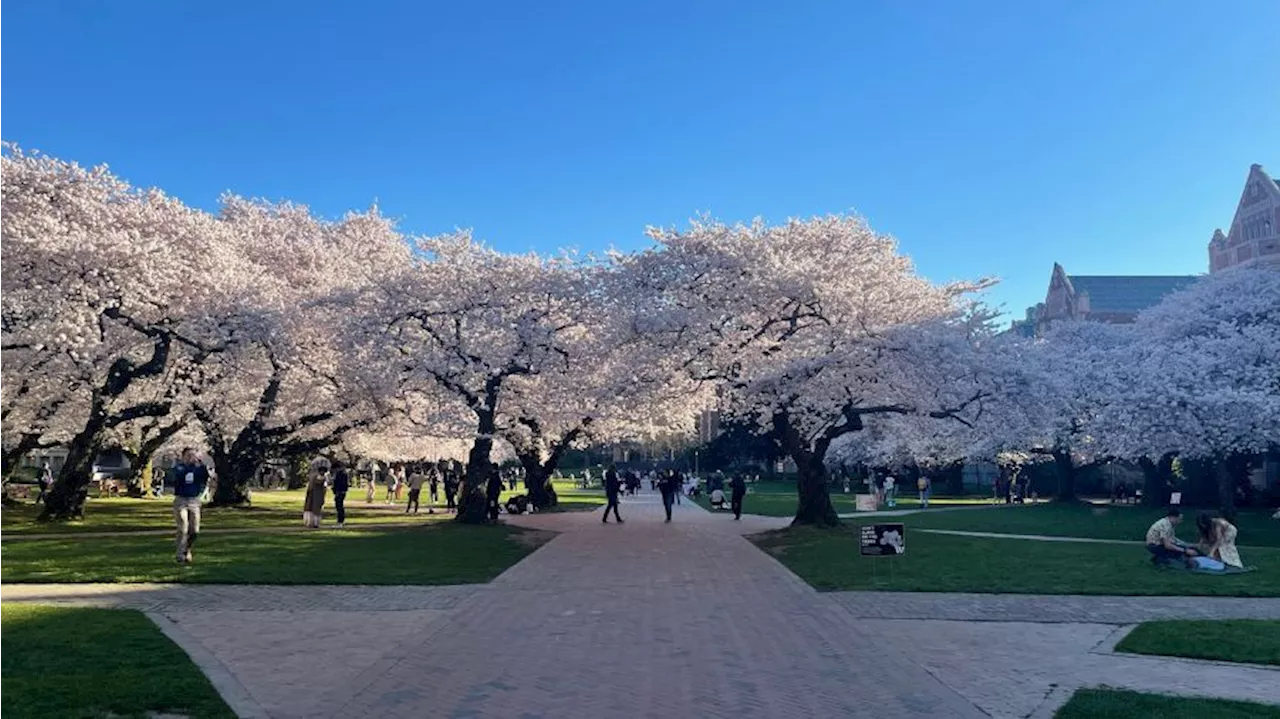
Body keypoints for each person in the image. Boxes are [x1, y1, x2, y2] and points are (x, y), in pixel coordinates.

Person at [171, 448, 210, 564]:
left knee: (194, 530)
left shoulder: (199, 469)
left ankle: (187, 549)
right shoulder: (179, 468)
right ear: (183, 457)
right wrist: (188, 466)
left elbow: (206, 478)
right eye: (188, 455)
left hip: (194, 500)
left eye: (192, 455)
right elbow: (178, 476)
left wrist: (201, 463)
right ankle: (180, 554)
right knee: (183, 527)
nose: (191, 457)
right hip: (181, 499)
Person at [303, 458, 328, 528]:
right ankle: (312, 522)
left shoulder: (317, 477)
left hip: (316, 494)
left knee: (315, 508)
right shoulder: (317, 477)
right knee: (312, 508)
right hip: (314, 494)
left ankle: (314, 522)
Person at [332, 460, 350, 528]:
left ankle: (340, 521)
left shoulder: (341, 474)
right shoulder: (342, 473)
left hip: (340, 492)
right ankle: (340, 521)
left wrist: (337, 491)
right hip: (341, 491)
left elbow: (339, 484)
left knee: (339, 506)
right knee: (339, 506)